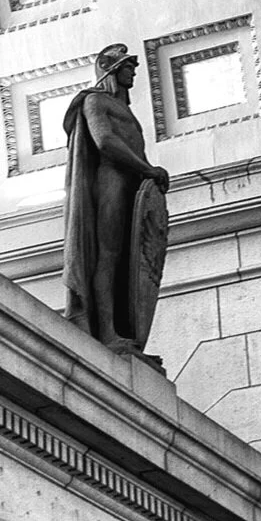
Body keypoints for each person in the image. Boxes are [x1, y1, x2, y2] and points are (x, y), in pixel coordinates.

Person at [63, 43, 169, 355]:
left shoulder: (125, 109)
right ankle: (107, 332)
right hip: (111, 181)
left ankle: (121, 327)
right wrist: (146, 169)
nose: (133, 70)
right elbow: (105, 141)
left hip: (132, 184)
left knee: (125, 258)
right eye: (127, 66)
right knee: (107, 255)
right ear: (111, 69)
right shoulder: (94, 100)